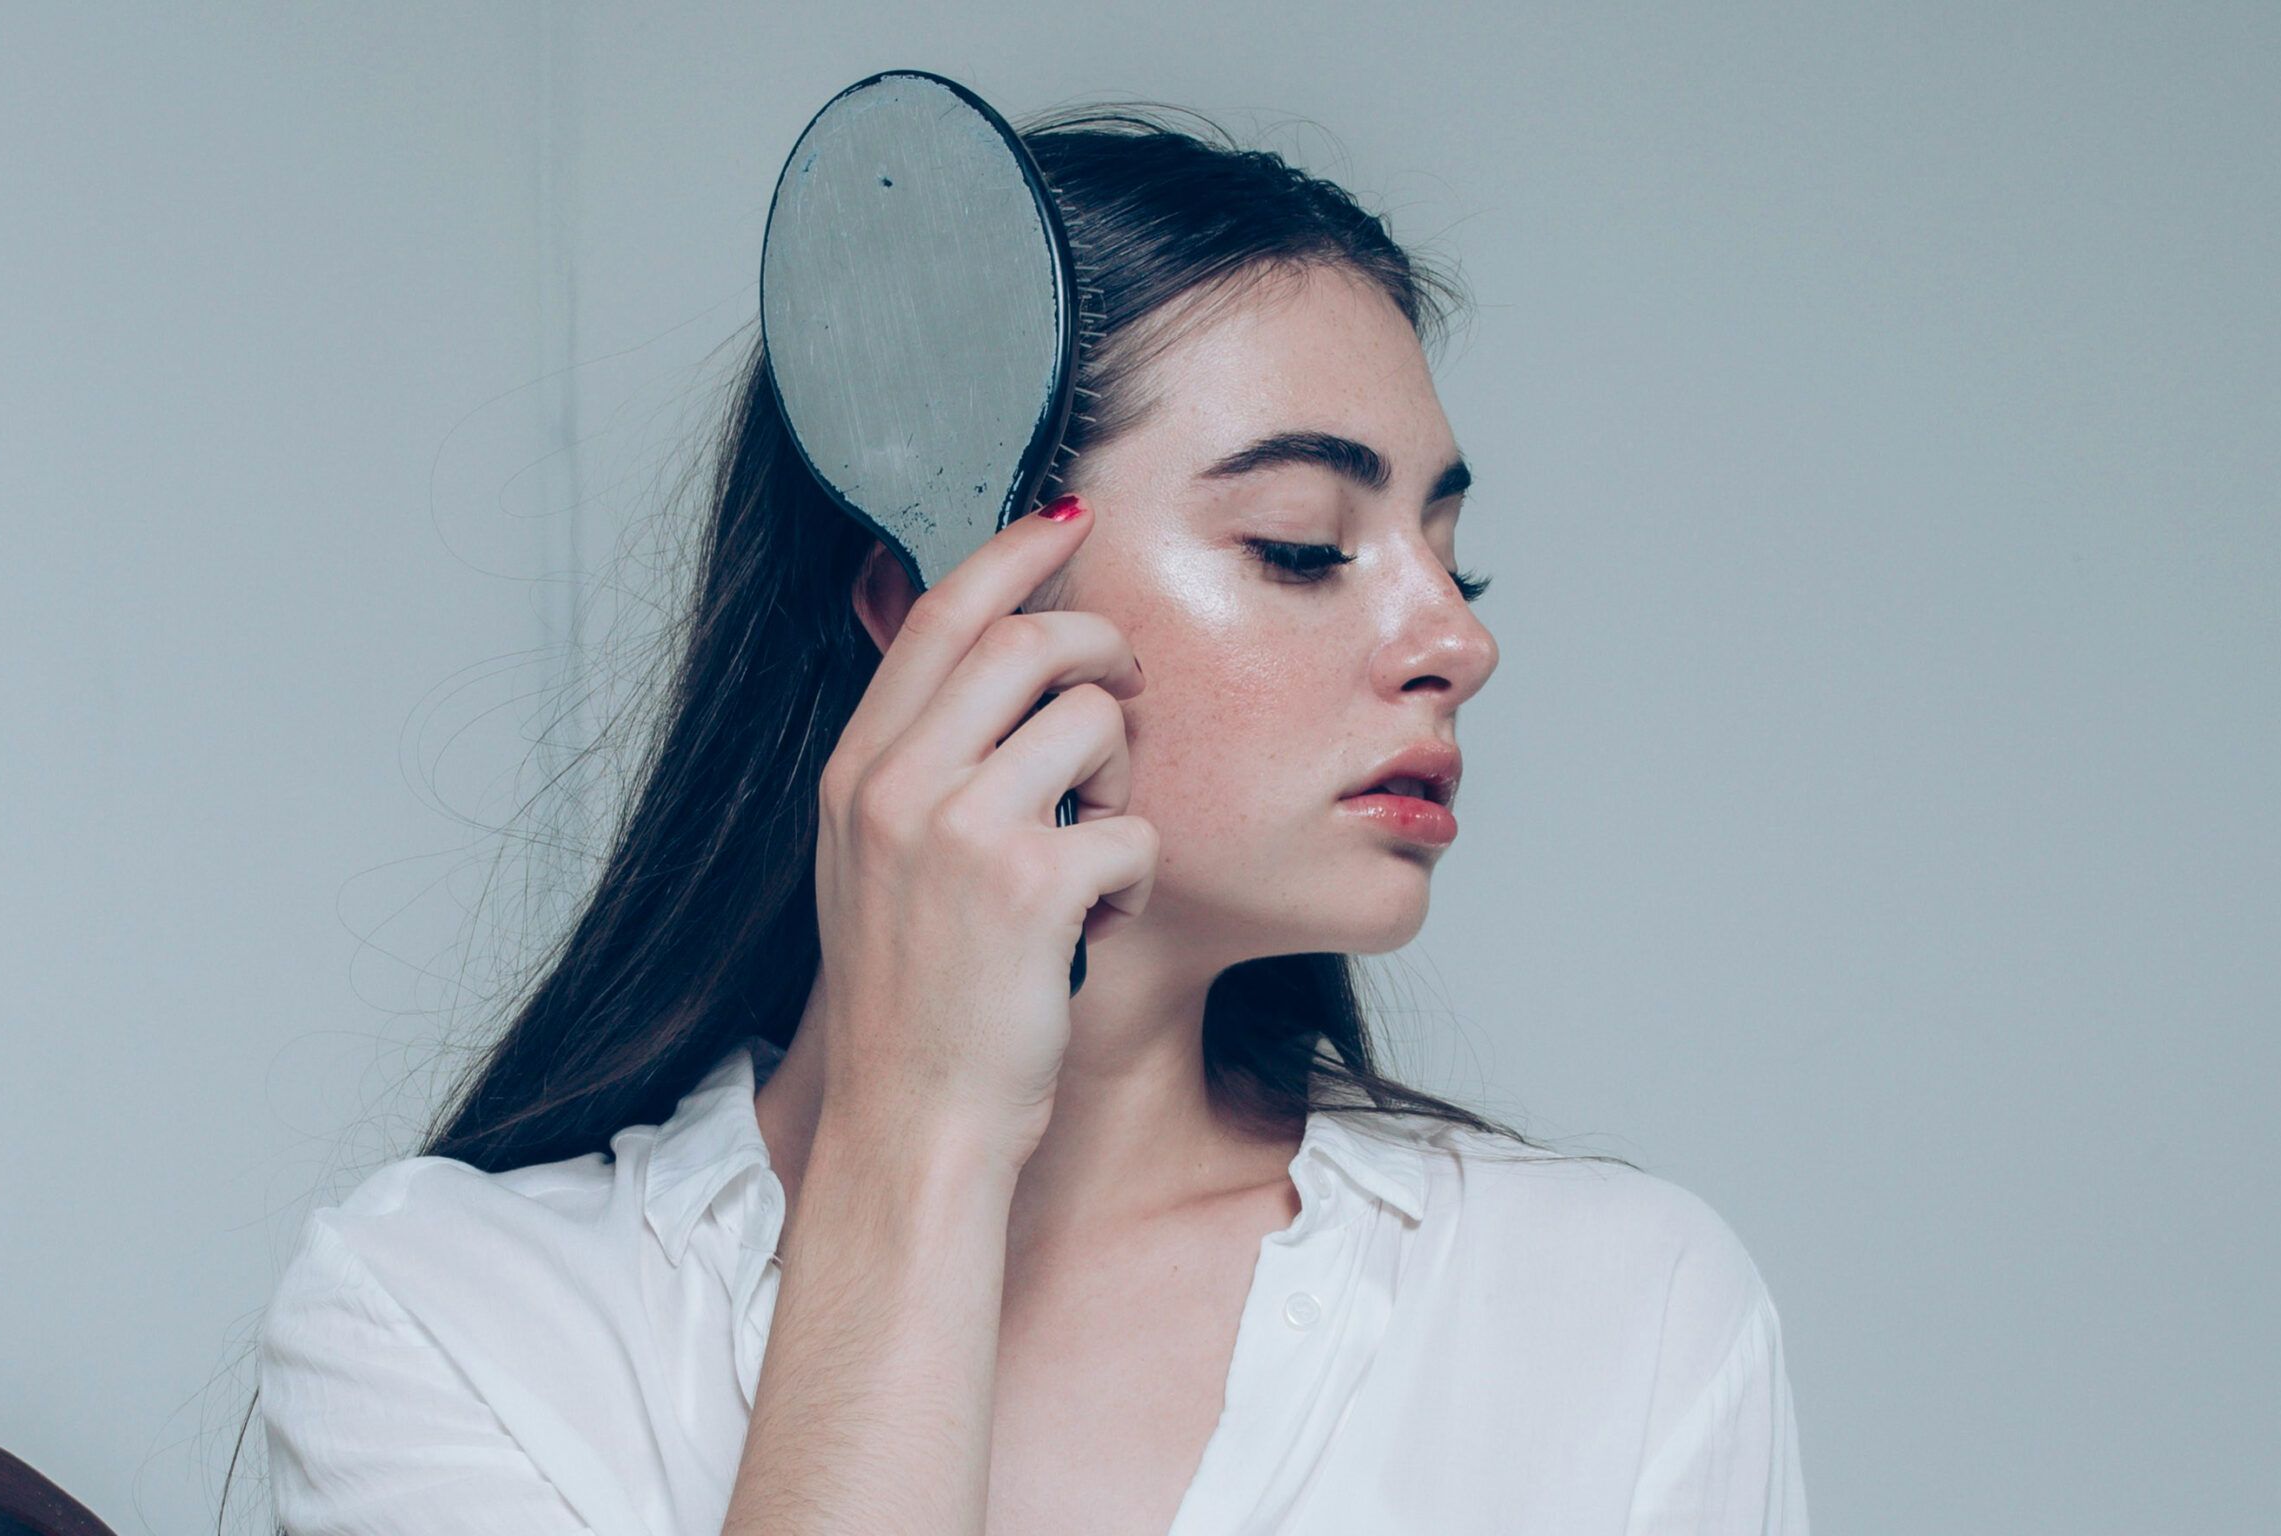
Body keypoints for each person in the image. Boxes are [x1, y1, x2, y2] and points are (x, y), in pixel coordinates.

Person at [246, 102, 1808, 1534]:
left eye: (1450, 561)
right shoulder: (451, 1328)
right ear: (937, 605)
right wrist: (917, 1146)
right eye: (1303, 543)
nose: (1454, 642)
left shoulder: (1619, 1314)